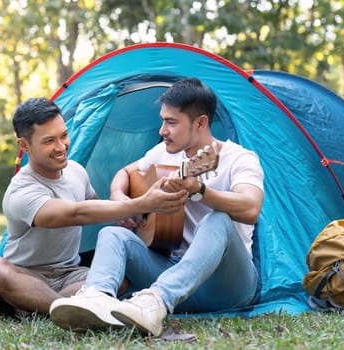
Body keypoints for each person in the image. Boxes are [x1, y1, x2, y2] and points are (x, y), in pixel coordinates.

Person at [49, 77, 265, 336]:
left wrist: (200, 190)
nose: (162, 130)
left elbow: (251, 207)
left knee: (218, 218)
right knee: (112, 234)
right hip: (173, 273)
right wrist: (121, 198)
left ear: (201, 123)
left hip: (227, 286)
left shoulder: (238, 159)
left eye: (171, 122)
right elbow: (125, 173)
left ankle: (155, 302)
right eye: (163, 120)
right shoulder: (165, 151)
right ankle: (96, 299)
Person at [0, 97, 188, 321]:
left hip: (71, 274)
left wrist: (128, 215)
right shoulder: (21, 190)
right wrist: (142, 203)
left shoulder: (77, 172)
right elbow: (76, 213)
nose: (61, 147)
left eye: (64, 136)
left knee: (121, 278)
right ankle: (64, 307)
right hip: (27, 273)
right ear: (24, 145)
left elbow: (97, 207)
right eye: (49, 141)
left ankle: (32, 305)